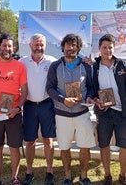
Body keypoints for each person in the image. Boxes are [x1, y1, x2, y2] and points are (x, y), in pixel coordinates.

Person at [46, 34, 96, 185]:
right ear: (63, 47)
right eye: (68, 45)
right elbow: (49, 88)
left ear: (78, 47)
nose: (70, 48)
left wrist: (89, 97)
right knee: (65, 147)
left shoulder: (86, 65)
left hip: (82, 113)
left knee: (85, 146)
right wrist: (63, 100)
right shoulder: (55, 66)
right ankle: (68, 176)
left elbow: (92, 87)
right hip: (62, 114)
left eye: (74, 45)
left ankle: (83, 175)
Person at [0, 33, 28, 185]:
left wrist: (17, 108)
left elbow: (24, 91)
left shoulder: (19, 66)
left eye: (9, 46)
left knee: (15, 147)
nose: (7, 48)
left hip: (13, 114)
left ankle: (14, 177)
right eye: (4, 45)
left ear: (13, 47)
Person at [19, 33, 56, 185]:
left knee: (48, 139)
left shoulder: (52, 62)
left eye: (41, 44)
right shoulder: (22, 62)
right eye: (36, 44)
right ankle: (29, 171)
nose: (39, 47)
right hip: (29, 105)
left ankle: (49, 171)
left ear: (45, 46)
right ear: (30, 45)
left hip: (47, 104)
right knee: (30, 140)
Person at [92, 34, 126, 185]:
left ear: (114, 48)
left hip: (122, 112)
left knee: (124, 145)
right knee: (104, 144)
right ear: (99, 49)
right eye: (104, 47)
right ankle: (107, 175)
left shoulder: (122, 66)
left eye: (110, 47)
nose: (107, 50)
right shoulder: (94, 67)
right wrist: (95, 100)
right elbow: (91, 89)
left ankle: (123, 174)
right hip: (104, 113)